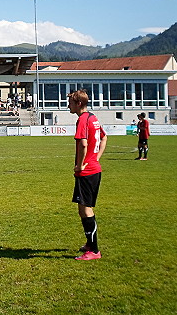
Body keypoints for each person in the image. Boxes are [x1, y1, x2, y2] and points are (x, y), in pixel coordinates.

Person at [67, 89, 107, 260]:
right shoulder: (93, 118)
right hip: (93, 169)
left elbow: (83, 145)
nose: (68, 105)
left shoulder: (83, 120)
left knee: (86, 208)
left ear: (79, 104)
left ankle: (94, 250)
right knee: (82, 208)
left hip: (87, 172)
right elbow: (105, 138)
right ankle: (90, 244)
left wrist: (80, 165)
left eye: (70, 102)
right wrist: (96, 158)